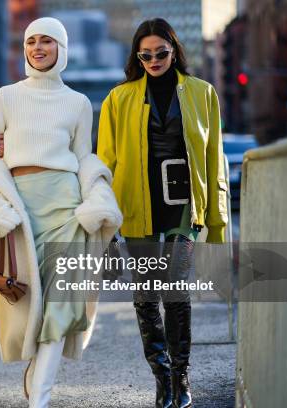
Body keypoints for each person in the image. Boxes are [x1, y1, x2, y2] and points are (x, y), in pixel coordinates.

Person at [0, 17, 122, 407]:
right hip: (21, 208)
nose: (38, 48)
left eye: (47, 42)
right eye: (32, 42)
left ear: (62, 49)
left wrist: (97, 198)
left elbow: (82, 157)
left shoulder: (77, 102)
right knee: (25, 306)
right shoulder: (4, 96)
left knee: (61, 306)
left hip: (66, 207)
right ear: (24, 48)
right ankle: (34, 371)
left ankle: (38, 399)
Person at [97, 18, 228, 408]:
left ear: (175, 51)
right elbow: (105, 161)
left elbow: (213, 158)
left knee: (176, 293)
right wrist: (104, 220)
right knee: (145, 297)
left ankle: (181, 379)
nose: (154, 60)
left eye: (161, 53)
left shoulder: (203, 94)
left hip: (183, 207)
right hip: (137, 205)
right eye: (146, 54)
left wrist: (217, 222)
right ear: (137, 56)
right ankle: (162, 377)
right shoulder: (118, 98)